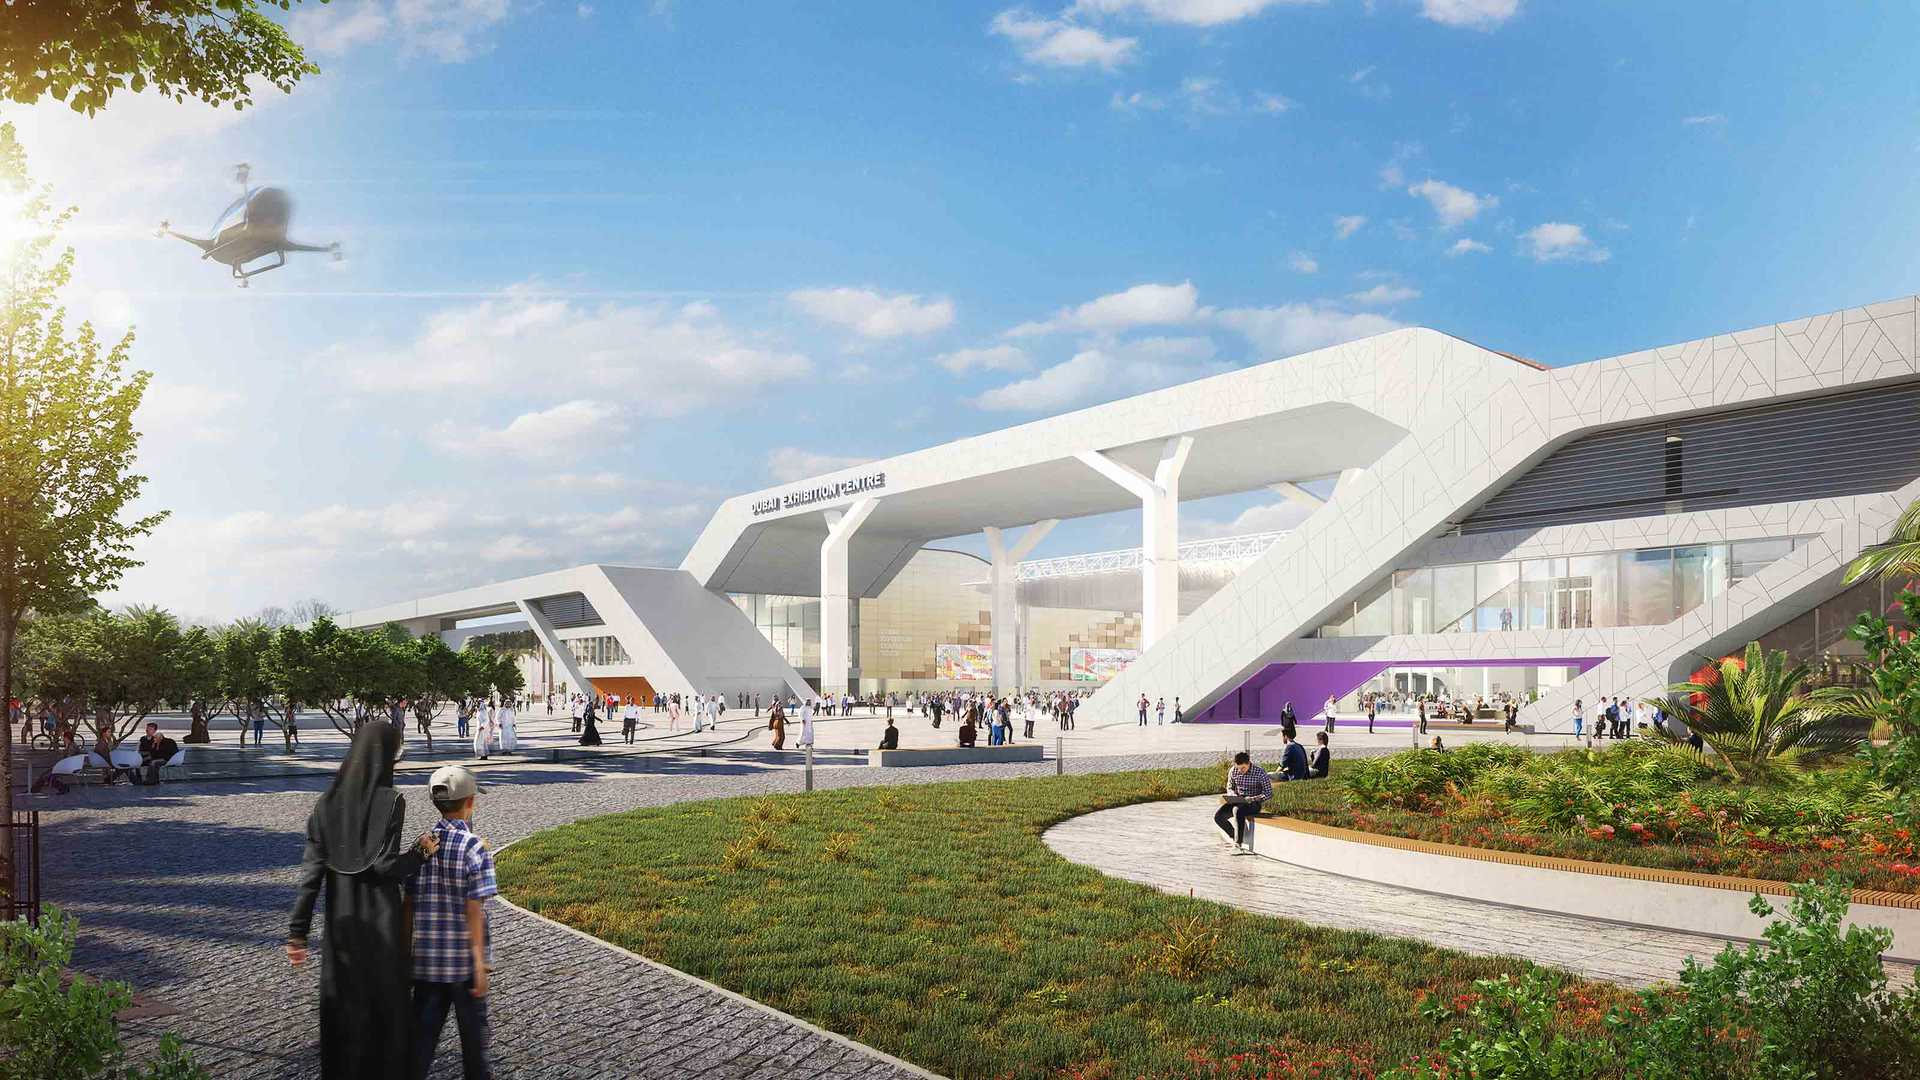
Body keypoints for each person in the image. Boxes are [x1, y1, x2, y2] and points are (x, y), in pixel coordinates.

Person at [288, 722, 439, 1080]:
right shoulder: (391, 800)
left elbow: (310, 875)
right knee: (384, 1005)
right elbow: (387, 866)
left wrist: (297, 933)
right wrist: (420, 852)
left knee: (345, 1004)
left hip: (342, 924)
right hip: (382, 923)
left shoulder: (325, 804)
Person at [408, 765, 496, 1080]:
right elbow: (475, 910)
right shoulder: (475, 848)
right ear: (469, 802)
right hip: (464, 967)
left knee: (419, 1044)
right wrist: (479, 962)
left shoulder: (422, 845)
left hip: (428, 962)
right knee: (474, 1048)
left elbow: (408, 900)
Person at [1214, 751, 1271, 852]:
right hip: (1238, 800)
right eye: (1238, 768)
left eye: (1243, 768)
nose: (1241, 771)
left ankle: (1238, 843)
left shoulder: (1260, 772)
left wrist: (1253, 799)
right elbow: (1230, 787)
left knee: (1238, 810)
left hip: (1254, 802)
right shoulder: (1233, 770)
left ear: (1249, 763)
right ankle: (1233, 836)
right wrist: (1233, 795)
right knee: (1218, 817)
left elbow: (1268, 793)